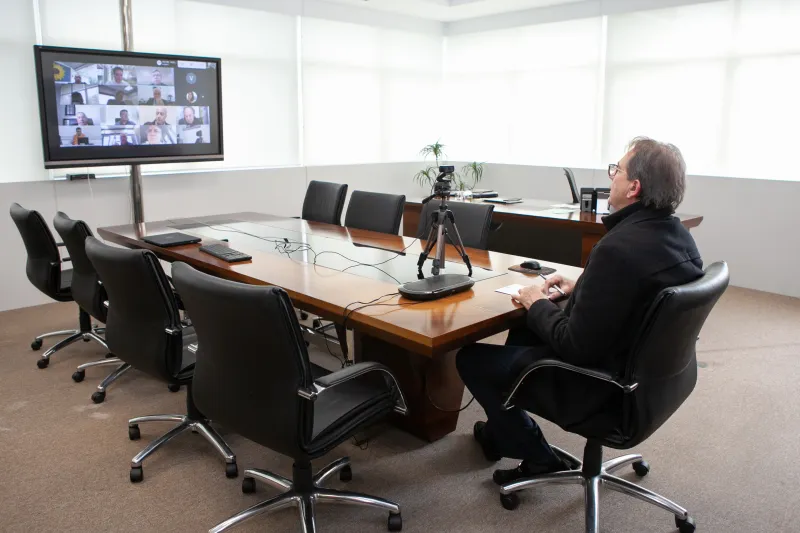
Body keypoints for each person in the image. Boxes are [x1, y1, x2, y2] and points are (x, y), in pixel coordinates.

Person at [456, 137, 704, 486]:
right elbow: (642, 295)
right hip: (656, 384)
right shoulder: (680, 238)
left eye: (617, 170)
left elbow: (574, 346)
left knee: (471, 359)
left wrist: (537, 301)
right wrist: (584, 287)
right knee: (525, 330)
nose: (611, 176)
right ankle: (503, 430)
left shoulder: (617, 249)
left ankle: (538, 457)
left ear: (634, 187)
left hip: (606, 388)